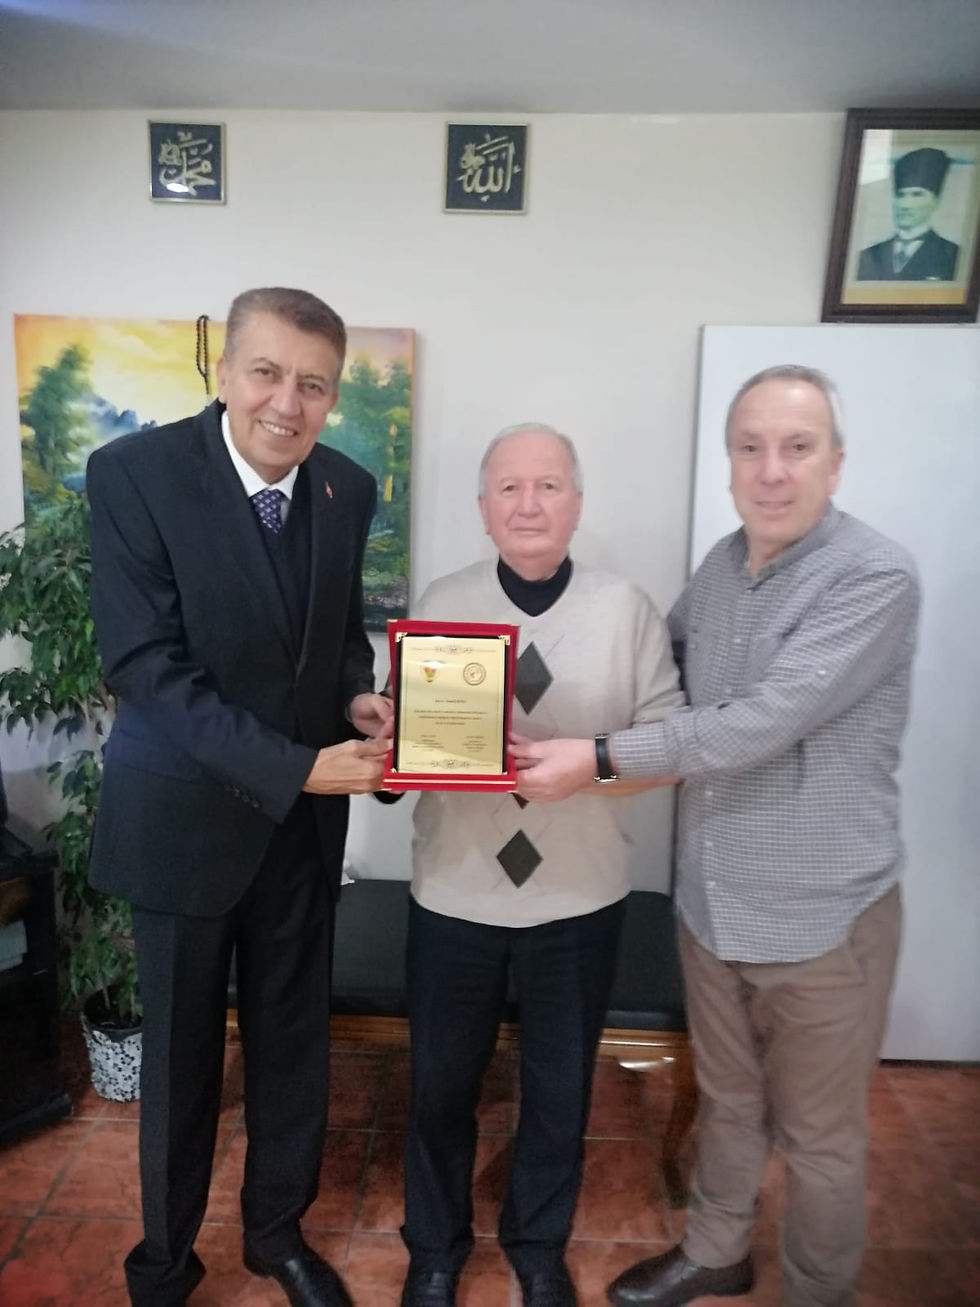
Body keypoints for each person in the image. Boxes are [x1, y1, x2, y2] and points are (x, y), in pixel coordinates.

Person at [512, 367, 920, 1307]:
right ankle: (715, 1250)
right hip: (711, 900)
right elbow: (660, 678)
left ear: (835, 463)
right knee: (730, 1100)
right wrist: (493, 711)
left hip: (821, 918)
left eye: (797, 447)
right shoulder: (724, 564)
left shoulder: (874, 576)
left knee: (820, 1139)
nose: (771, 470)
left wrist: (596, 757)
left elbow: (755, 725)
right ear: (729, 463)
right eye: (750, 447)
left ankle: (818, 1294)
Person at [86, 287, 392, 1307]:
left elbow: (336, 639)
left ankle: (275, 1235)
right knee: (179, 1068)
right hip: (183, 829)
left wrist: (357, 697)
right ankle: (164, 1266)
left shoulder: (346, 486)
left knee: (292, 1050)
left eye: (313, 384)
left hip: (299, 838)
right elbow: (145, 667)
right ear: (224, 370)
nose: (286, 402)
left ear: (332, 396)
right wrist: (298, 765)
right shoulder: (134, 474)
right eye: (266, 372)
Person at [399, 424, 684, 1307]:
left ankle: (536, 1244)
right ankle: (434, 1249)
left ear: (578, 503)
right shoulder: (443, 602)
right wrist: (391, 730)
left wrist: (588, 764)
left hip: (579, 896)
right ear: (483, 508)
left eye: (549, 485)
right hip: (454, 893)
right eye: (510, 487)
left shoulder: (626, 609)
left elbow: (671, 746)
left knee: (559, 1090)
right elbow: (409, 742)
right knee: (440, 1086)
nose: (529, 504)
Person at [856, 146, 959, 281]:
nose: (905, 205)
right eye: (901, 195)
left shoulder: (953, 256)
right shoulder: (867, 255)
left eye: (917, 194)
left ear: (936, 201)